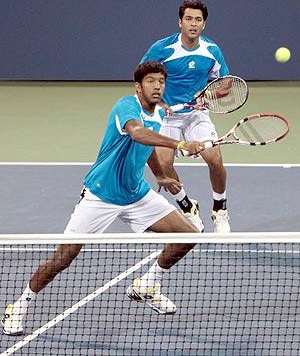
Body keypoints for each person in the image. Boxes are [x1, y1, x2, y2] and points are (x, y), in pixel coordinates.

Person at [2, 61, 205, 336]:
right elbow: (138, 134)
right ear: (138, 86)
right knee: (64, 257)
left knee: (188, 235)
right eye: (151, 81)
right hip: (101, 194)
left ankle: (148, 285)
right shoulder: (126, 107)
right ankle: (19, 307)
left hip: (136, 194)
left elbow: (150, 148)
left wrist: (159, 175)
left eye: (161, 81)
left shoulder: (158, 113)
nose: (157, 86)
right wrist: (179, 144)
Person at [140, 0, 231, 233]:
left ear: (204, 25)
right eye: (189, 19)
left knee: (215, 160)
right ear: (180, 22)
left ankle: (219, 209)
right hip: (166, 116)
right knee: (162, 165)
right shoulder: (162, 49)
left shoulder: (211, 51)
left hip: (196, 114)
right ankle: (187, 206)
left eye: (198, 20)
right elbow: (142, 79)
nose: (193, 24)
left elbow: (226, 85)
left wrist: (208, 97)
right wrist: (160, 101)